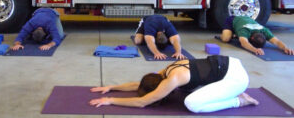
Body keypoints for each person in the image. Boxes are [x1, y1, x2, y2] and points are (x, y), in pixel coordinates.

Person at [89, 55, 259, 113]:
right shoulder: (168, 70)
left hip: (236, 79)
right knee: (192, 89)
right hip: (231, 63)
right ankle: (233, 92)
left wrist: (110, 100)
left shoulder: (173, 79)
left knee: (191, 103)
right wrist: (112, 87)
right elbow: (138, 84)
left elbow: (142, 102)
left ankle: (239, 100)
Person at [220, 16, 294, 56]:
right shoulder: (245, 30)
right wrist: (254, 50)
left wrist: (285, 48)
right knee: (226, 39)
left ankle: (236, 34)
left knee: (241, 36)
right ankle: (231, 32)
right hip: (233, 19)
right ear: (251, 38)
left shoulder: (264, 30)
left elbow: (276, 41)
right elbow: (244, 43)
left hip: (247, 19)